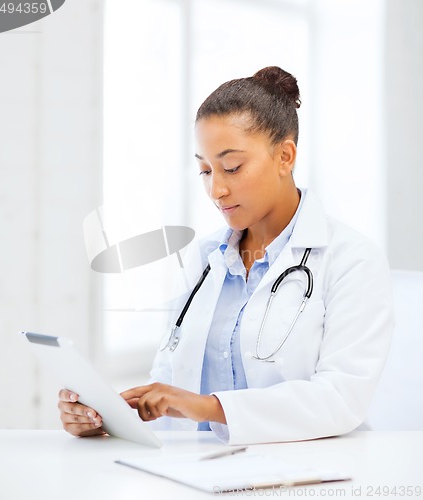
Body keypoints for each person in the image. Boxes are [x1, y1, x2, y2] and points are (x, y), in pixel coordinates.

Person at [58, 66, 394, 445]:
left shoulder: (352, 260)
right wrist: (112, 418)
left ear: (285, 156)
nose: (216, 189)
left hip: (305, 471)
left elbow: (341, 398)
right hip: (201, 471)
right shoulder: (204, 259)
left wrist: (210, 407)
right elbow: (171, 384)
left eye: (232, 167)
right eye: (205, 170)